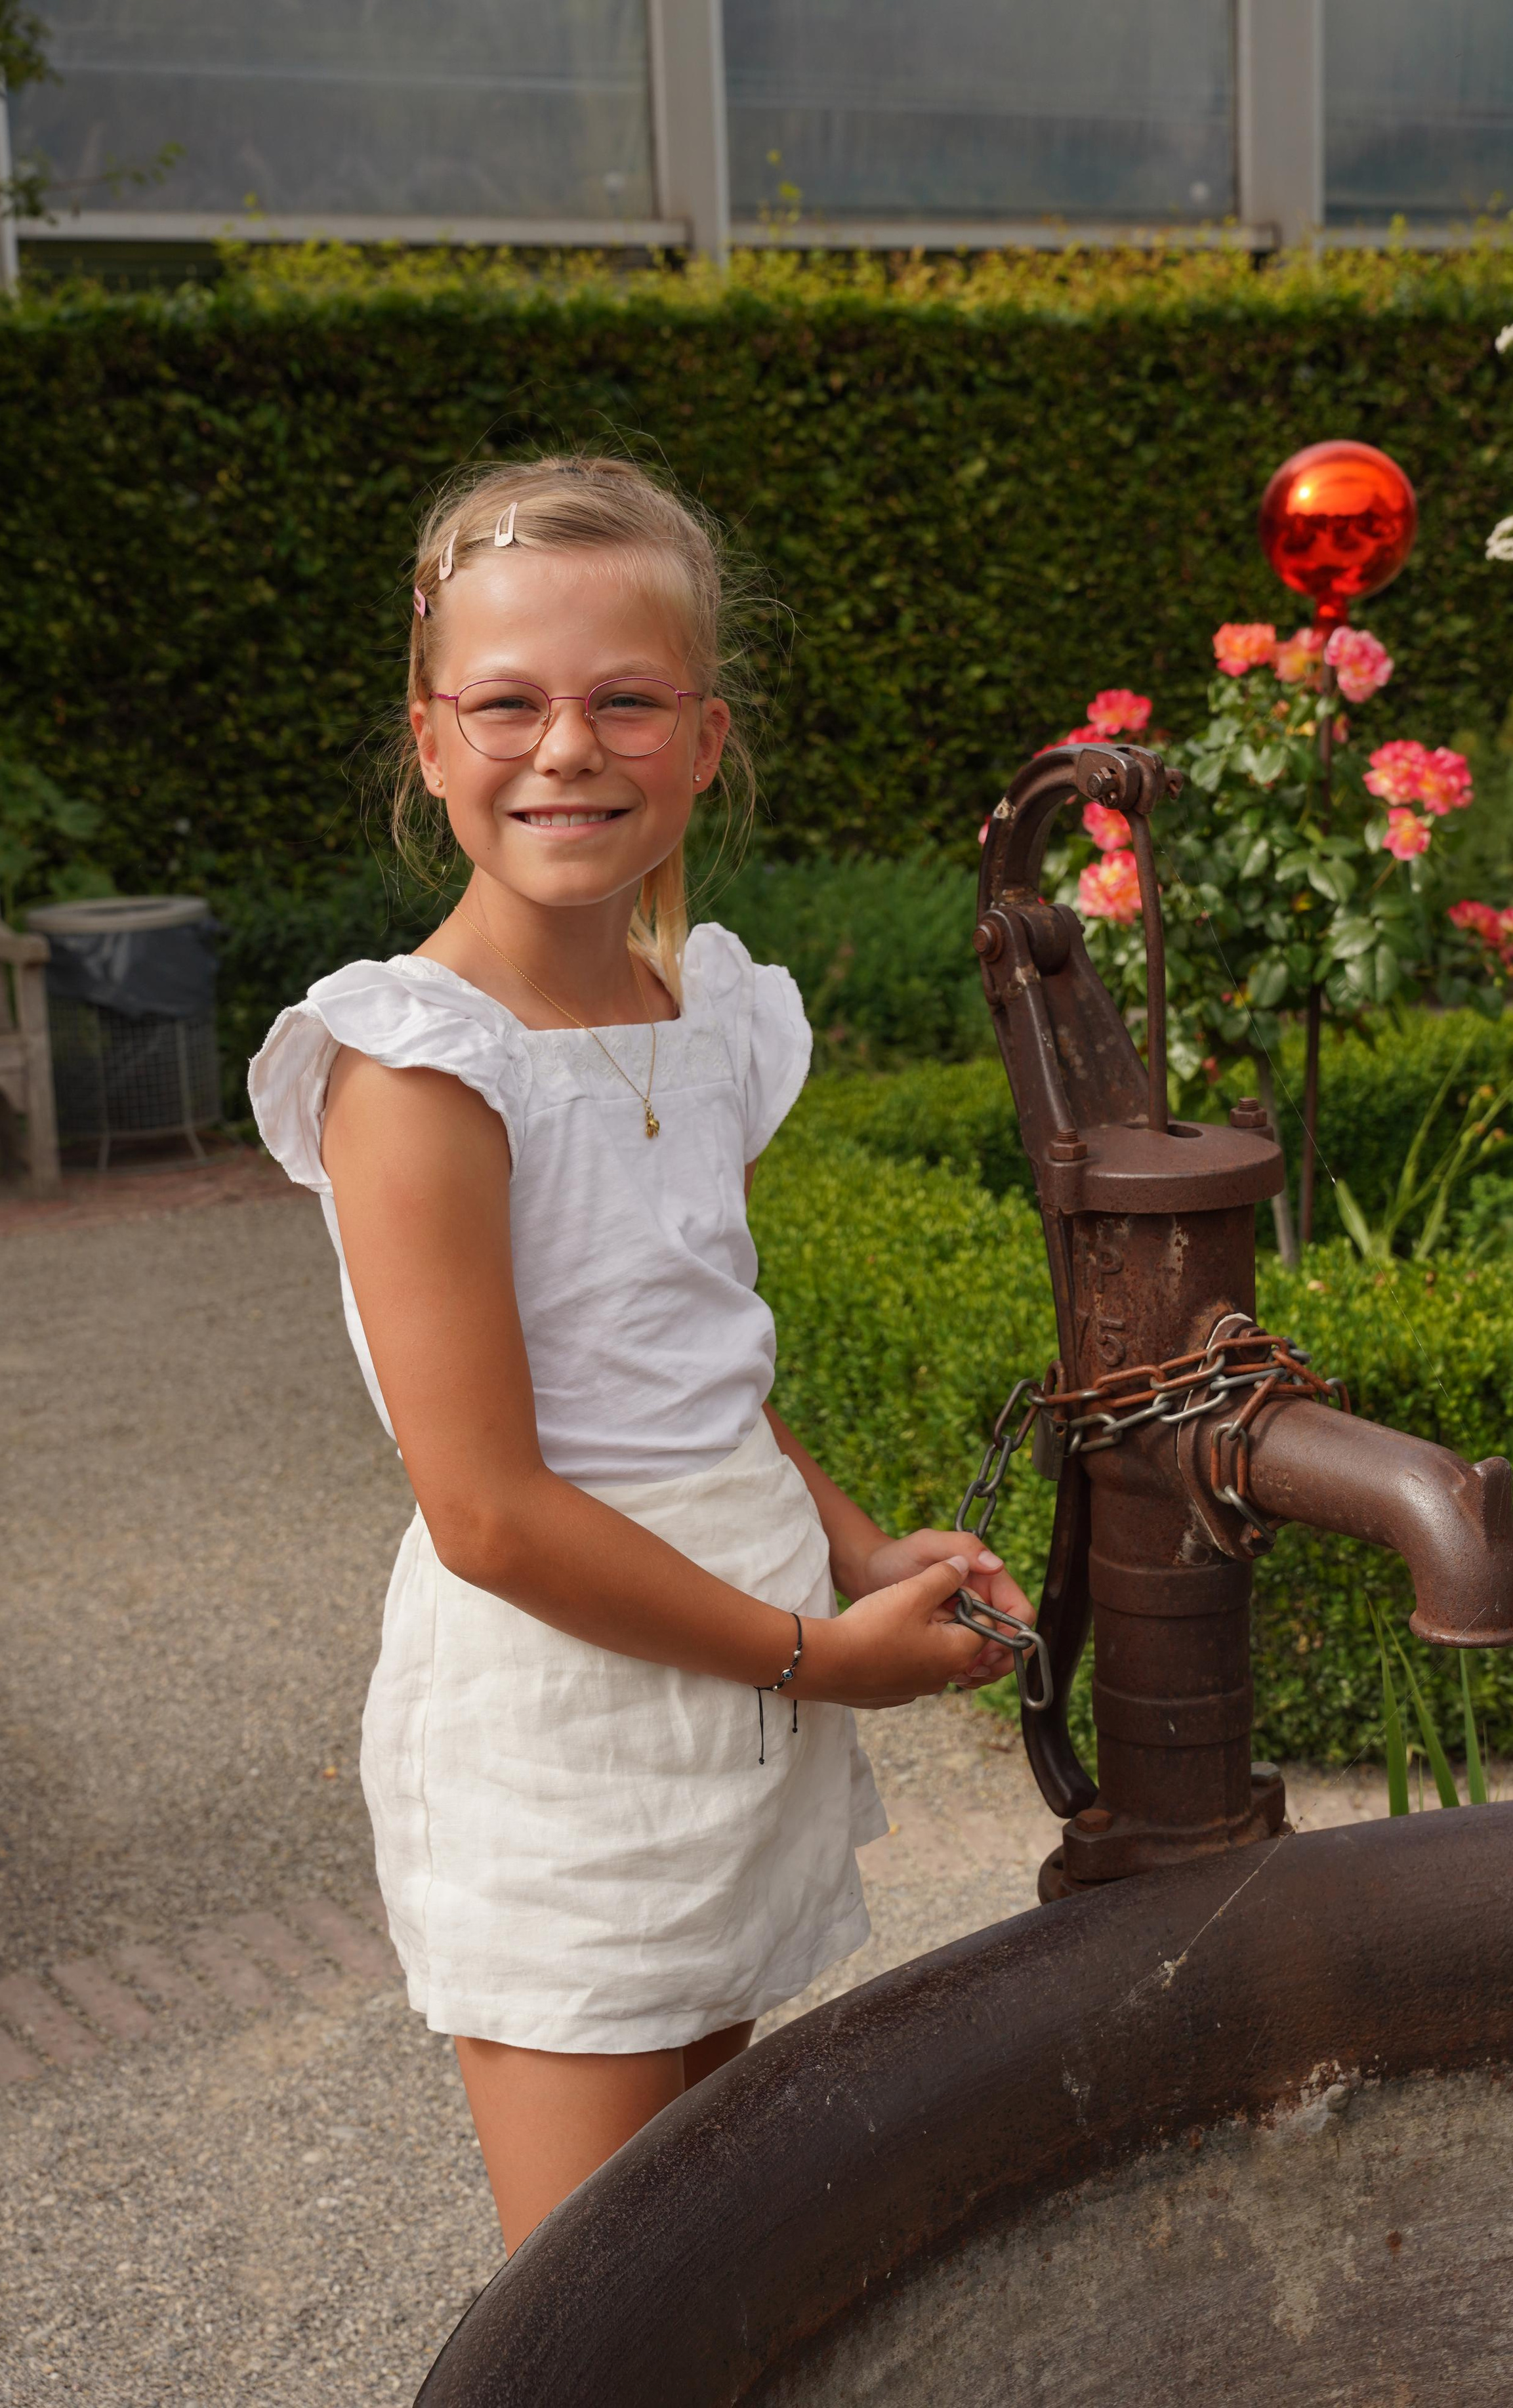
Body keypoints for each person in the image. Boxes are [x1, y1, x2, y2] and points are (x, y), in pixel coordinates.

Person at [249, 456, 1031, 2254]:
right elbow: (494, 1515)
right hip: (568, 1710)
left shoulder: (710, 1013)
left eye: (625, 701)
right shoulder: (425, 1068)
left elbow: (700, 1367)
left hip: (744, 1651)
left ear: (704, 735)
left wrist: (854, 1549)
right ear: (431, 740)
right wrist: (821, 1657)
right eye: (509, 704)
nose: (568, 750)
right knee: (606, 2302)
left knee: (712, 2237)